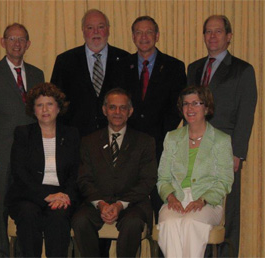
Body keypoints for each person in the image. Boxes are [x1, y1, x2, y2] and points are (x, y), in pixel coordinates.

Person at [187, 15, 257, 256]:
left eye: (218, 31)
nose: (212, 36)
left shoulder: (242, 70)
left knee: (227, 214)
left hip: (225, 152)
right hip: (194, 150)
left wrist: (237, 153)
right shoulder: (194, 68)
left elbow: (246, 114)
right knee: (198, 208)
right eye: (208, 31)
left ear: (229, 37)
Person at [0, 23, 44, 257]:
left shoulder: (37, 74)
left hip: (30, 154)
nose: (17, 43)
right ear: (2, 42)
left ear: (28, 44)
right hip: (1, 153)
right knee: (0, 207)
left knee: (27, 205)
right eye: (12, 38)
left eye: (21, 39)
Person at [72, 88, 157, 257]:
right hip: (98, 203)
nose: (117, 112)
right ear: (104, 110)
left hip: (132, 204)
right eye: (112, 107)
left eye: (122, 108)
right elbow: (84, 179)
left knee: (132, 223)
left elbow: (148, 180)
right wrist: (102, 204)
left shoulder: (145, 141)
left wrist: (119, 205)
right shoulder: (89, 141)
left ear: (130, 111)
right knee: (80, 221)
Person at [117, 15, 186, 222]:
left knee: (162, 203)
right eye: (139, 32)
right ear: (132, 36)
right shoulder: (121, 65)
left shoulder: (174, 66)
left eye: (148, 32)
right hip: (128, 145)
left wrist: (159, 135)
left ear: (157, 35)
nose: (144, 36)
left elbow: (178, 108)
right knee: (129, 204)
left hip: (161, 145)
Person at [157, 85, 234, 257]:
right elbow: (162, 177)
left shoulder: (221, 140)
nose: (190, 108)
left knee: (190, 223)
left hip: (207, 202)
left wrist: (202, 200)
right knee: (169, 223)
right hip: (176, 198)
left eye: (196, 103)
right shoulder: (172, 138)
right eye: (185, 104)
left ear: (206, 108)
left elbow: (224, 181)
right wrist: (170, 197)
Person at [6, 83, 80, 257]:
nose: (45, 109)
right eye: (39, 105)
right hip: (29, 195)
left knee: (58, 218)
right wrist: (46, 195)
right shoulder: (23, 133)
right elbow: (20, 173)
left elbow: (76, 172)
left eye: (50, 104)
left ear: (58, 108)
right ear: (33, 109)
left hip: (61, 195)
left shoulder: (71, 134)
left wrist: (66, 196)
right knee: (28, 215)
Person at [51, 9, 129, 137]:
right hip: (76, 137)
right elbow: (55, 102)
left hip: (115, 136)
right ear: (83, 31)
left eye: (101, 27)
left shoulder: (125, 60)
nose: (96, 32)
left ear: (108, 29)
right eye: (90, 27)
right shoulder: (65, 61)